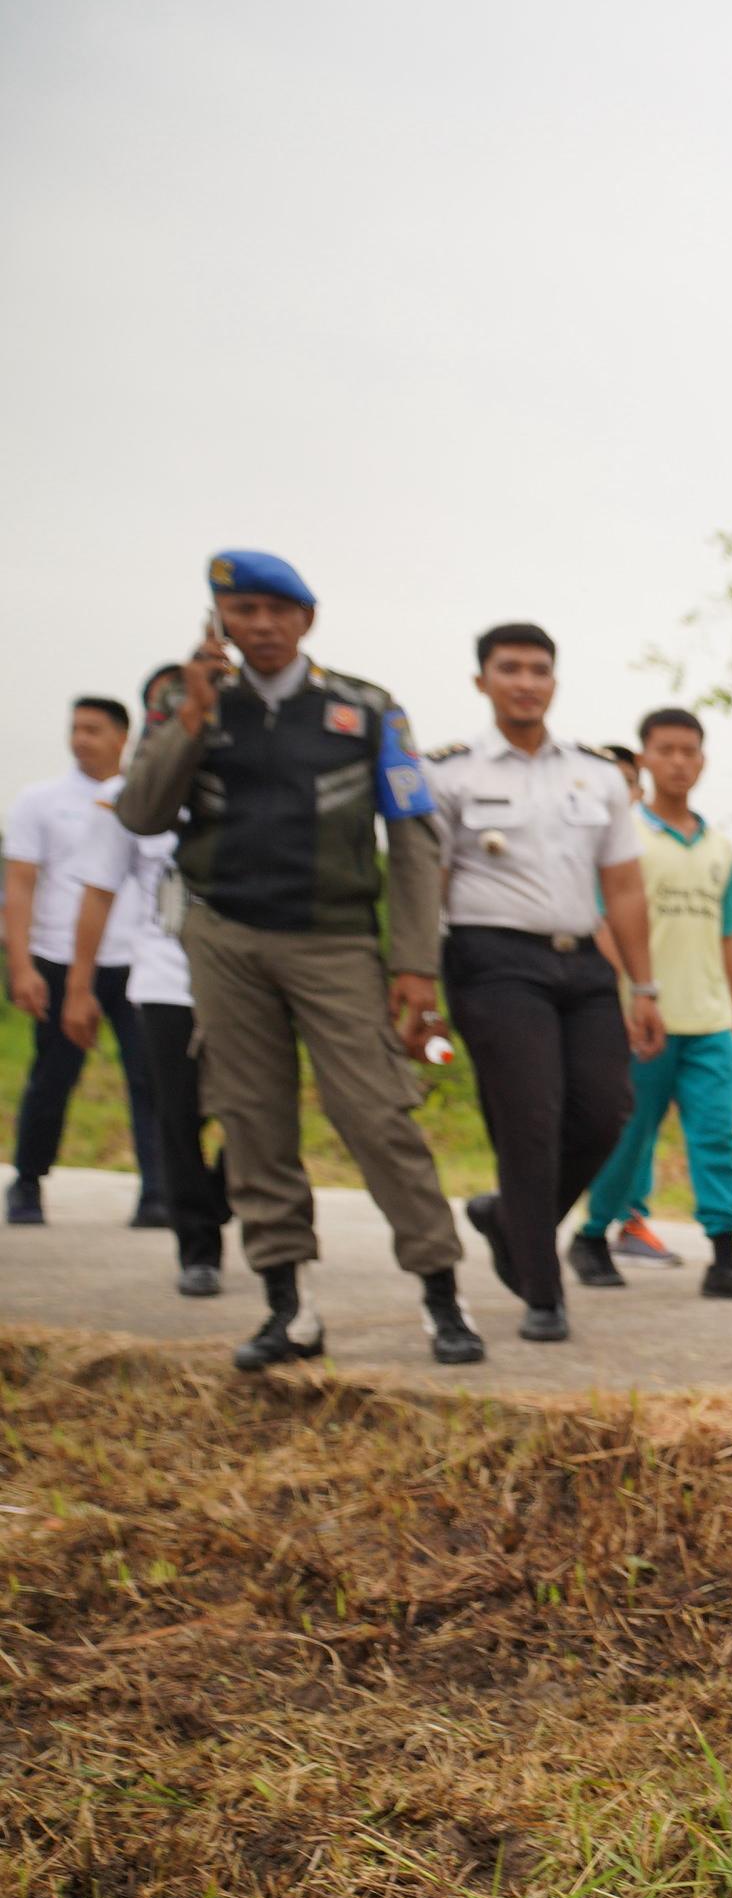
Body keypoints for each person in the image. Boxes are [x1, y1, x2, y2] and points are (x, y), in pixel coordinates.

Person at [115, 550, 483, 1371]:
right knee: (250, 1120)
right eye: (242, 612)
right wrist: (193, 716)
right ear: (222, 621)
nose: (262, 628)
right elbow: (141, 814)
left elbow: (415, 839)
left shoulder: (367, 709)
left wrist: (414, 962)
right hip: (225, 939)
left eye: (277, 612)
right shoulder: (186, 700)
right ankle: (290, 1310)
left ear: (306, 619)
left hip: (336, 940)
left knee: (379, 1116)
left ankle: (442, 1301)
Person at [423, 624, 664, 1343]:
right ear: (482, 681)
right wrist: (420, 989)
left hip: (582, 961)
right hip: (492, 961)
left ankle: (507, 1220)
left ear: (554, 681)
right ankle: (542, 1289)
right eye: (509, 669)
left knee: (604, 1112)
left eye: (538, 670)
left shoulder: (593, 773)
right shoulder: (450, 772)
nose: (525, 682)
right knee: (529, 1119)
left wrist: (644, 990)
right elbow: (426, 886)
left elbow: (622, 886)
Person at [576, 711, 732, 1305]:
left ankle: (724, 1256)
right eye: (665, 750)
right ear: (644, 760)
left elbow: (728, 936)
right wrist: (629, 997)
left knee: (717, 1138)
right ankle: (591, 1235)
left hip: (709, 1021)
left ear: (703, 760)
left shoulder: (719, 846)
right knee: (630, 1136)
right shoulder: (624, 839)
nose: (678, 762)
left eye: (689, 751)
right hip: (646, 1019)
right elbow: (603, 923)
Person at [59, 669, 229, 1290]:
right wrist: (79, 987)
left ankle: (220, 1197)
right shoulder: (122, 796)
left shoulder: (241, 782)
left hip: (244, 979)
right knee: (177, 1114)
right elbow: (99, 894)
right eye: (171, 706)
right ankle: (198, 1249)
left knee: (259, 1110)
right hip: (163, 979)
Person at [10, 694, 161, 1225]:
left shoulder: (146, 799)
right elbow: (20, 886)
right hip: (58, 956)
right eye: (76, 728)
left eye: (93, 730)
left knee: (150, 1078)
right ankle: (28, 1181)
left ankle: (157, 1192)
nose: (81, 739)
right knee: (52, 1076)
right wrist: (21, 964)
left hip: (136, 960)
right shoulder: (39, 800)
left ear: (123, 737)